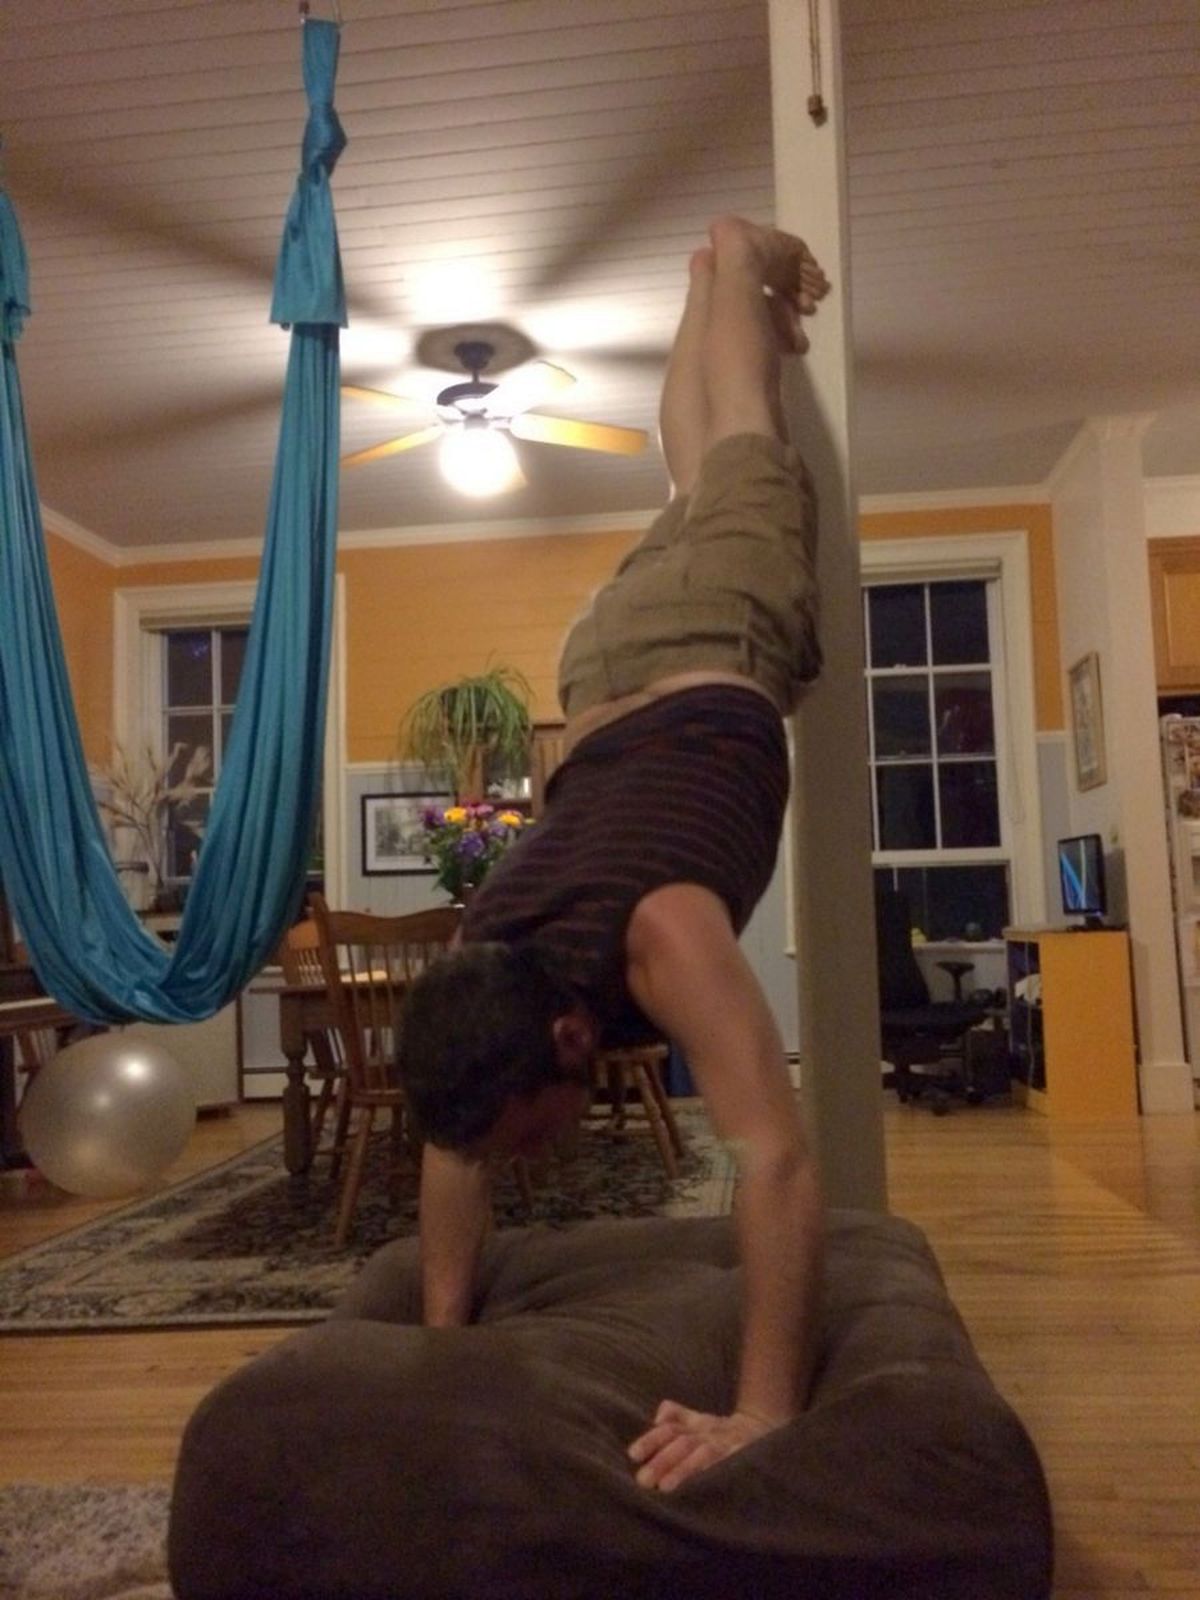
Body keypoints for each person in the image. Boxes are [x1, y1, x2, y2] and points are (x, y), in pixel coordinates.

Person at [399, 214, 829, 1493]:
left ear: (573, 1035)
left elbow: (775, 1158)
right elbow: (453, 1144)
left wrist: (759, 1411)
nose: (523, 1161)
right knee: (701, 481)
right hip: (598, 666)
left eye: (525, 1136)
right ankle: (702, 277)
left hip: (708, 640)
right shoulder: (485, 964)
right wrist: (441, 1346)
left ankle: (741, 260)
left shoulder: (664, 934)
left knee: (745, 434)